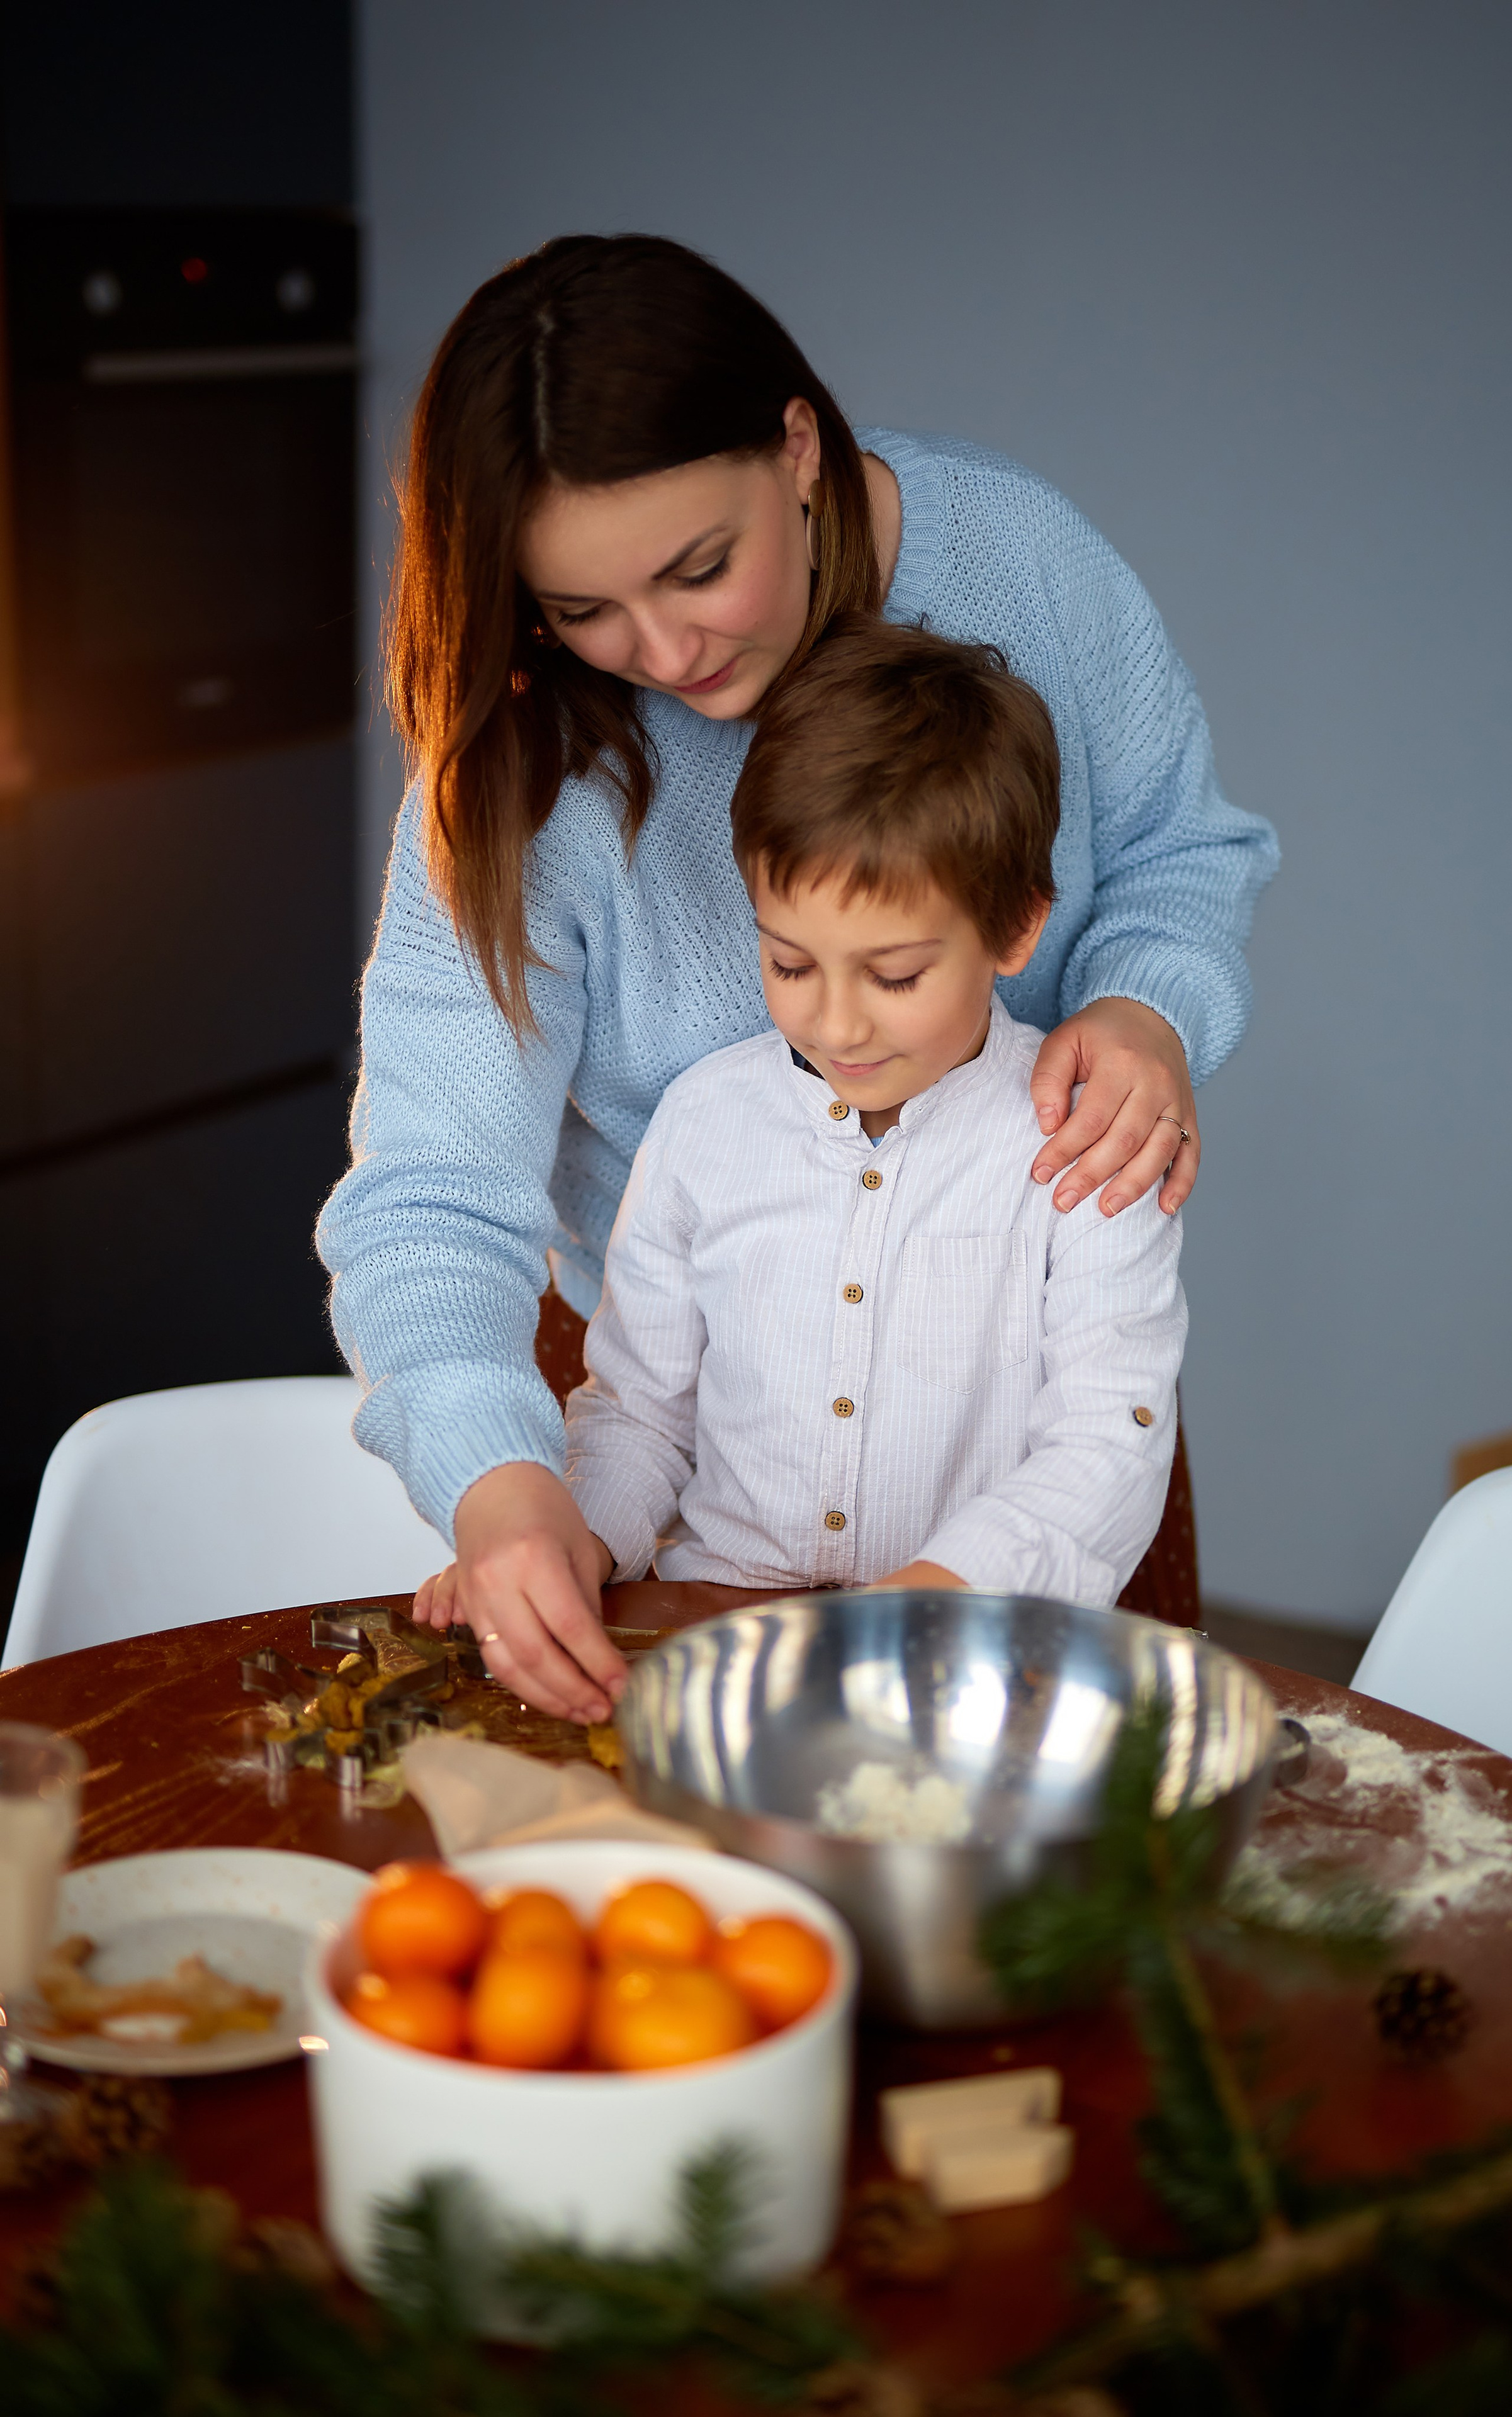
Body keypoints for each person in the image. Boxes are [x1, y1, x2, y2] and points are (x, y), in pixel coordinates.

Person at [317, 234, 1277, 1724]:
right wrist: (502, 1485)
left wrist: (1143, 1006)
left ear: (797, 443)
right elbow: (435, 1187)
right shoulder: (526, 745)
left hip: (1017, 1417)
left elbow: (1176, 852)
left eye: (700, 567)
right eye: (582, 610)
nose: (662, 649)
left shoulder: (1019, 560)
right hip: (670, 1405)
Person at [415, 619, 1186, 1636]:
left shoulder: (1088, 1149)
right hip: (713, 1645)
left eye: (895, 974)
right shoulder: (704, 1122)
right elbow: (642, 1414)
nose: (836, 1021)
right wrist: (573, 1543)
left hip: (967, 1654)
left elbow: (1107, 1441)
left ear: (1015, 927)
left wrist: (924, 1608)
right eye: (790, 963)